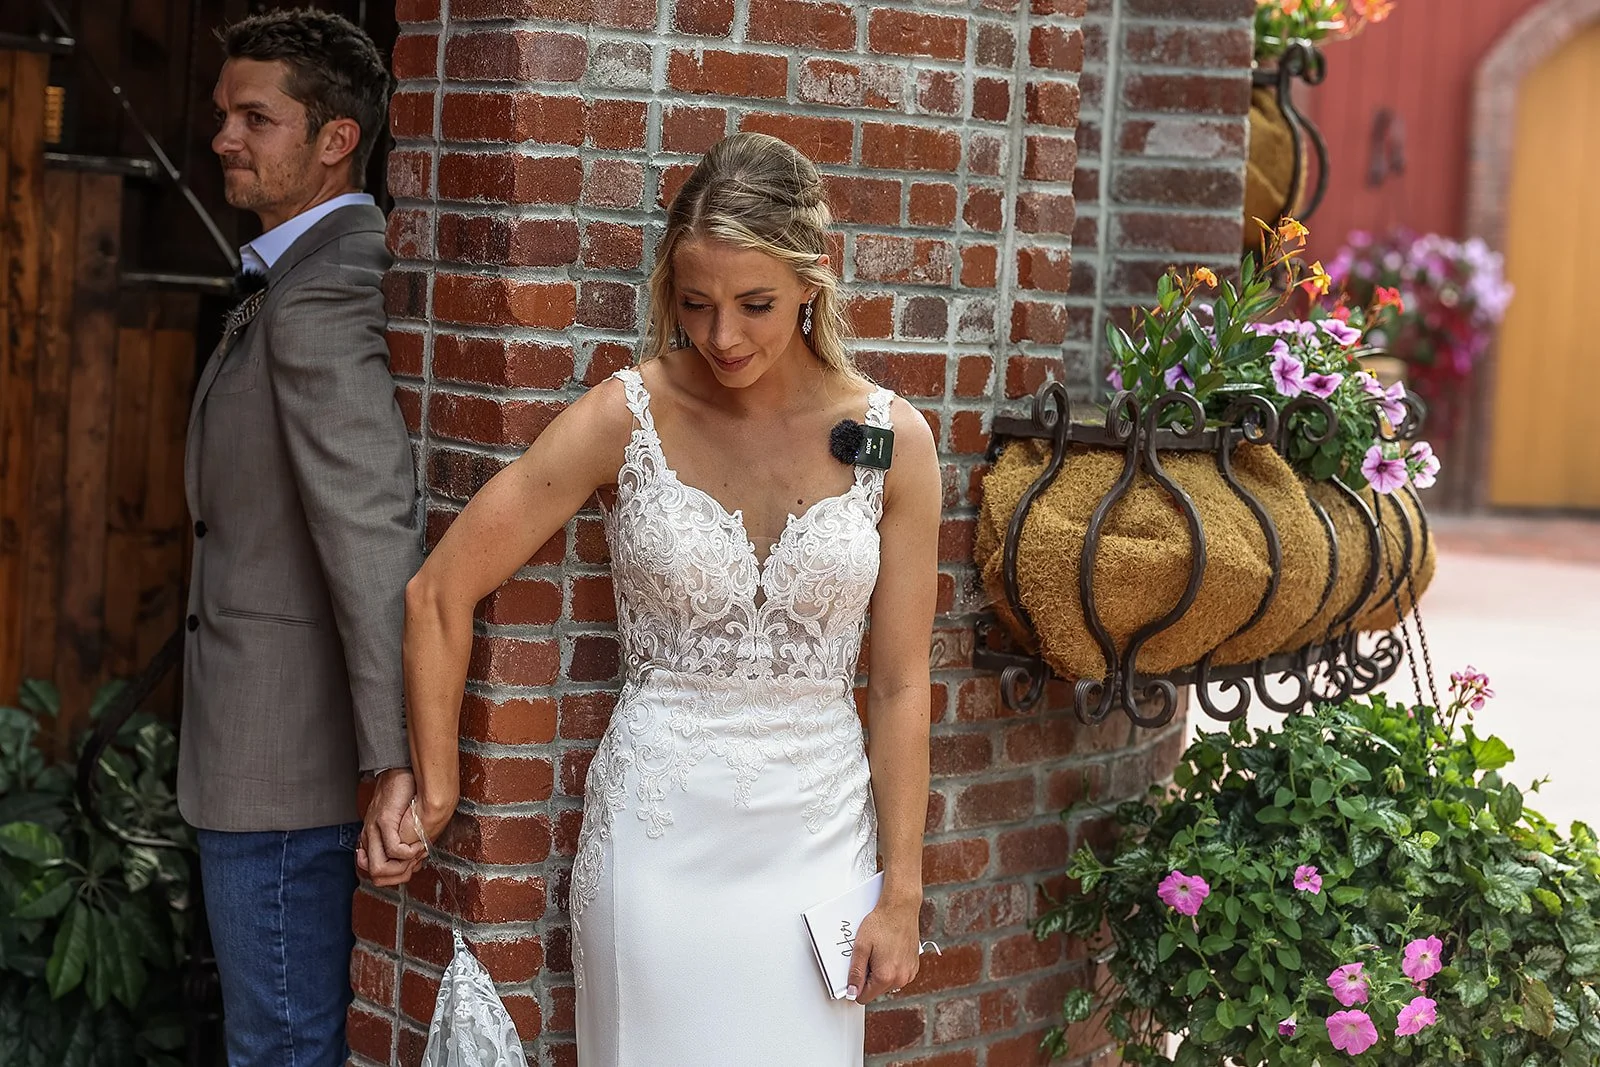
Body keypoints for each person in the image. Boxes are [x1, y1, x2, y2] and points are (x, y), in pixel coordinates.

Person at [398, 132, 940, 1064]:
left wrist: (902, 892)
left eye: (754, 304)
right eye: (695, 304)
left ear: (815, 277)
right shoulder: (629, 415)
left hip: (820, 851)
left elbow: (898, 685)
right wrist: (435, 784)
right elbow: (439, 590)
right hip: (657, 841)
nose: (722, 336)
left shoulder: (894, 441)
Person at [179, 9, 422, 1065]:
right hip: (257, 751)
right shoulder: (292, 275)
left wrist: (393, 755)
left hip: (286, 766)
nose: (223, 137)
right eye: (223, 114)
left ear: (336, 139)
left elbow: (368, 520)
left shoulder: (322, 289)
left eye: (255, 118)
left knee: (280, 1050)